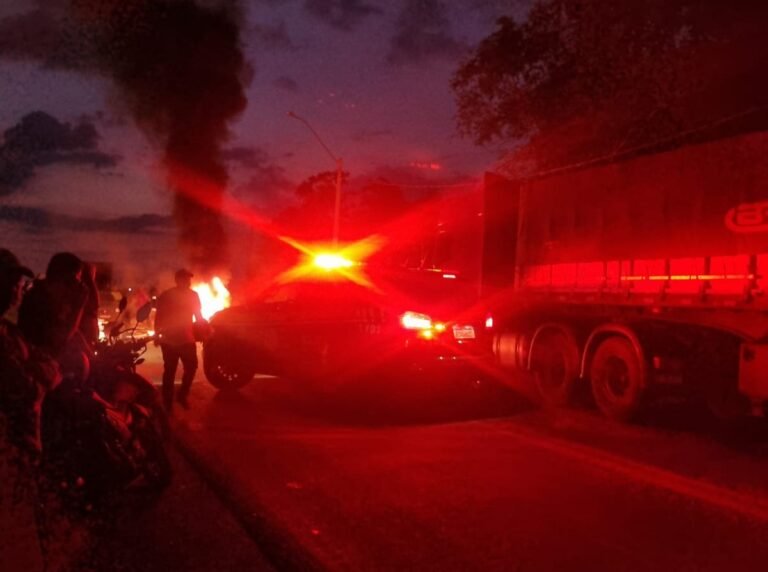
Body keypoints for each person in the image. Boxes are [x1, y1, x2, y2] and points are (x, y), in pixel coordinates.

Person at [0, 249, 61, 571]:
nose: (17, 289)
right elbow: (23, 389)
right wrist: (43, 374)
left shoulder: (7, 331)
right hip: (9, 467)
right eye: (11, 282)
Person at [18, 252, 91, 382]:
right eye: (76, 281)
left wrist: (90, 351)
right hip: (36, 369)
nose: (76, 287)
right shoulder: (38, 301)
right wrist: (79, 306)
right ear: (63, 279)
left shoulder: (50, 297)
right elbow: (61, 338)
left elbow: (69, 329)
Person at [154, 268, 203, 411]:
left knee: (191, 367)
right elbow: (159, 317)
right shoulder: (167, 296)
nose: (188, 281)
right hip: (170, 340)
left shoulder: (193, 295)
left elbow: (198, 315)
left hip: (186, 338)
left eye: (189, 279)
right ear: (178, 280)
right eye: (185, 279)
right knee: (170, 371)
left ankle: (181, 396)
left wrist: (203, 331)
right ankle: (168, 402)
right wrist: (157, 334)